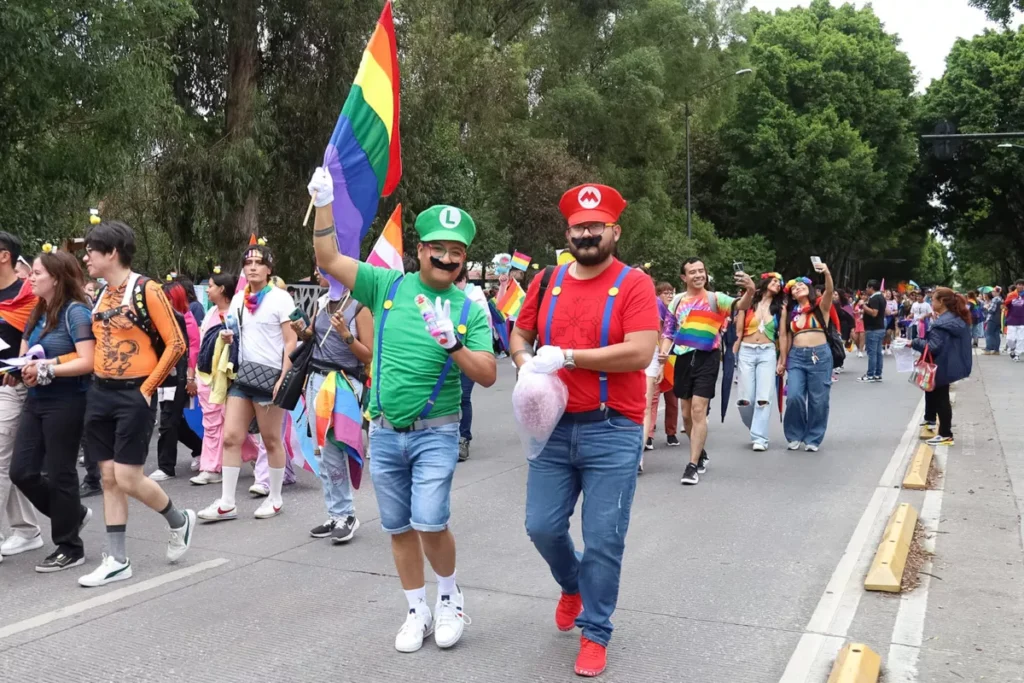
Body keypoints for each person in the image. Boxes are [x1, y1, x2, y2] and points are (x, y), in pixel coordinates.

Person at [309, 167, 496, 654]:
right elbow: (328, 257)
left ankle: (451, 597)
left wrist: (453, 343)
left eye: (457, 252)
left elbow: (488, 373)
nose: (447, 257)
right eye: (439, 247)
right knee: (397, 526)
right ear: (421, 250)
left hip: (437, 430)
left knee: (430, 520)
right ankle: (418, 609)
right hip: (387, 431)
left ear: (464, 260)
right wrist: (323, 201)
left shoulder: (470, 309)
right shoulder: (385, 286)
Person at [510, 184, 658, 677]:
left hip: (612, 427)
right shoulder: (547, 280)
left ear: (615, 231)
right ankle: (573, 585)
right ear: (567, 231)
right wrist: (525, 361)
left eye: (597, 226)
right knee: (542, 526)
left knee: (603, 538)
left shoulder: (635, 284)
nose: (587, 233)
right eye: (579, 226)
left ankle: (596, 631)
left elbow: (639, 351)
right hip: (550, 427)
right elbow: (520, 334)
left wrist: (570, 356)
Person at [79, 220, 194, 587]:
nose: (86, 257)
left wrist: (148, 388)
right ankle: (117, 558)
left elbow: (176, 343)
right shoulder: (99, 294)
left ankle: (178, 520)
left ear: (111, 253)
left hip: (133, 393)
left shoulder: (148, 290)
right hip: (100, 393)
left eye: (91, 251)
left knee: (128, 476)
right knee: (110, 478)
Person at [9, 250, 95, 572]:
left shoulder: (76, 313)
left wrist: (47, 368)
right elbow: (25, 356)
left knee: (60, 472)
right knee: (23, 472)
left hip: (67, 400)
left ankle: (70, 546)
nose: (30, 278)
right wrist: (16, 371)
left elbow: (88, 361)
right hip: (36, 401)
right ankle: (73, 515)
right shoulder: (37, 311)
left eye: (37, 273)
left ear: (56, 278)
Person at [198, 243, 297, 521]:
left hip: (270, 377)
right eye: (248, 263)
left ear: (269, 268)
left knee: (271, 439)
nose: (253, 267)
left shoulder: (281, 299)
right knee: (231, 437)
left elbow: (291, 341)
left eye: (259, 262)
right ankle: (227, 502)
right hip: (243, 376)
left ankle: (275, 498)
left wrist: (283, 377)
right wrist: (231, 338)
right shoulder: (240, 299)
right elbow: (237, 331)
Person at [294, 270, 373, 544]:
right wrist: (301, 331)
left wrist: (345, 335)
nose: (316, 272)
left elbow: (368, 354)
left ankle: (346, 515)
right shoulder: (323, 302)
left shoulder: (359, 307)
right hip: (316, 380)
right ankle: (334, 513)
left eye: (323, 267)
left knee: (334, 449)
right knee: (321, 452)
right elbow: (312, 337)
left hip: (342, 383)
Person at [660, 258, 755, 485]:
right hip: (682, 359)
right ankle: (700, 452)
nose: (698, 275)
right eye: (693, 272)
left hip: (707, 359)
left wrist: (750, 290)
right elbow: (668, 331)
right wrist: (663, 356)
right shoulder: (677, 302)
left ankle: (691, 465)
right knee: (686, 415)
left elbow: (741, 305)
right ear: (684, 277)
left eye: (701, 270)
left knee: (698, 409)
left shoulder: (716, 298)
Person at [0, 232, 43, 564]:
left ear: (4, 256)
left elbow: (42, 338)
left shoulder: (31, 296)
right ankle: (27, 529)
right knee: (9, 465)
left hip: (14, 388)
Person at [780, 263, 834, 452]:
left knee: (818, 400)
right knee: (794, 396)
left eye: (801, 285)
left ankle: (813, 437)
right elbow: (785, 336)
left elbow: (829, 289)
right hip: (796, 356)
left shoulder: (821, 306)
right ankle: (794, 434)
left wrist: (826, 272)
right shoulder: (790, 313)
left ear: (809, 289)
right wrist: (782, 360)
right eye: (794, 287)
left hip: (819, 355)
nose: (798, 287)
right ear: (792, 295)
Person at [150, 282, 202, 480]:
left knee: (168, 421)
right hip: (163, 375)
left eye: (167, 298)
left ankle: (166, 466)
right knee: (174, 422)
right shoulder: (163, 319)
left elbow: (192, 352)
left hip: (179, 376)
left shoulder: (186, 320)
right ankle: (200, 448)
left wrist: (190, 378)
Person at [190, 270, 237, 485]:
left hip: (225, 378)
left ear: (222, 289)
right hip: (207, 376)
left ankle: (212, 467)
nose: (207, 290)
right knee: (213, 423)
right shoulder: (211, 313)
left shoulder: (234, 315)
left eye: (210, 285)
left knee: (224, 423)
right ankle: (213, 466)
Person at [912, 287, 972, 446]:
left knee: (941, 399)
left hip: (941, 364)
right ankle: (940, 428)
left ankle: (945, 433)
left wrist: (913, 342)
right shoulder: (954, 318)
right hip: (950, 362)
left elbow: (933, 346)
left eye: (933, 299)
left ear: (942, 302)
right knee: (940, 396)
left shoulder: (941, 323)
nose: (930, 302)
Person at [733, 272, 783, 451]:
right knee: (745, 398)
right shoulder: (748, 304)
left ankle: (760, 438)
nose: (777, 284)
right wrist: (735, 348)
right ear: (766, 281)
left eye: (779, 283)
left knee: (764, 397)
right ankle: (755, 426)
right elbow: (739, 331)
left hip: (767, 352)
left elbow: (783, 335)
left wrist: (782, 360)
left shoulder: (779, 308)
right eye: (775, 281)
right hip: (746, 351)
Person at [454, 264, 493, 462]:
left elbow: (485, 326)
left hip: (470, 356)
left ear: (463, 280)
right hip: (448, 359)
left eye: (457, 281)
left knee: (463, 397)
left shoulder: (475, 299)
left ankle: (463, 438)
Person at [645, 282, 680, 451]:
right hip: (658, 355)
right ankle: (649, 435)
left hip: (674, 356)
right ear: (658, 295)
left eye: (670, 292)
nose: (669, 295)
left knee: (672, 397)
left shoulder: (675, 311)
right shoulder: (656, 310)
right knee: (653, 396)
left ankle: (671, 432)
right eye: (665, 293)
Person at [860, 280, 886, 382]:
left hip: (873, 329)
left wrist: (864, 306)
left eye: (867, 288)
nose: (866, 290)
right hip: (880, 328)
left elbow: (874, 313)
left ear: (871, 288)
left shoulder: (874, 298)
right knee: (878, 353)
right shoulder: (882, 297)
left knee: (872, 353)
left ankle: (870, 374)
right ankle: (878, 373)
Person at [1003, 279, 1024, 361]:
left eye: (1022, 284)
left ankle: (1017, 354)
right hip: (1012, 319)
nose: (1020, 286)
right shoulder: (1011, 295)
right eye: (1018, 284)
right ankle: (1012, 349)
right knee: (1010, 338)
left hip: (1022, 320)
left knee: (1021, 338)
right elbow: (1006, 304)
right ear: (1016, 285)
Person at [984, 290, 1003, 354]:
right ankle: (996, 350)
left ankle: (988, 349)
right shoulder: (1001, 299)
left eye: (994, 291)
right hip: (999, 319)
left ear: (997, 292)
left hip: (992, 319)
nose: (992, 293)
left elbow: (992, 310)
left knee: (988, 334)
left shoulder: (995, 299)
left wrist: (987, 307)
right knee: (996, 334)